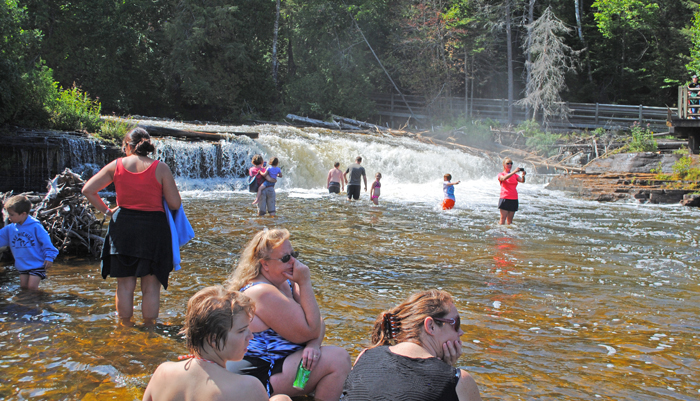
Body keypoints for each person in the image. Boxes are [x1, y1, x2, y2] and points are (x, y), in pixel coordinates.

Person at [226, 228, 351, 401]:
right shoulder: (262, 292)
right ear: (265, 264)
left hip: (280, 365)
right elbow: (311, 329)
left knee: (326, 357)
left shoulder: (286, 283)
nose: (294, 262)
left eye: (294, 254)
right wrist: (305, 282)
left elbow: (317, 321)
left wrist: (314, 344)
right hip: (259, 377)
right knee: (338, 359)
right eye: (286, 258)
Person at [82, 127, 182, 326]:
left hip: (123, 226)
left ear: (127, 146)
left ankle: (125, 327)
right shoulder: (160, 167)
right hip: (153, 229)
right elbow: (175, 204)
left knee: (125, 286)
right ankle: (150, 328)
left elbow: (88, 189)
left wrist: (107, 211)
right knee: (151, 287)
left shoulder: (116, 165)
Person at [142, 286, 291, 401]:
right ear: (213, 339)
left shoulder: (162, 373)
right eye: (241, 331)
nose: (250, 336)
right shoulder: (248, 387)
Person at [341, 289, 482, 401]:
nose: (461, 332)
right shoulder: (458, 381)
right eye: (456, 324)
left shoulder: (365, 357)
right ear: (430, 326)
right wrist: (449, 375)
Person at [0, 195, 58, 290]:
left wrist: (49, 257)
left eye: (11, 214)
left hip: (37, 264)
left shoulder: (35, 227)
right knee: (24, 287)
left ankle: (36, 303)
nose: (8, 217)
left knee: (31, 288)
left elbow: (46, 242)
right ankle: (29, 303)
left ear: (23, 214)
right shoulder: (10, 229)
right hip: (23, 265)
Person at [497, 157, 525, 225]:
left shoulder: (515, 175)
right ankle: (500, 233)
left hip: (514, 198)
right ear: (504, 165)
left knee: (510, 221)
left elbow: (522, 181)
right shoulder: (501, 174)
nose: (510, 165)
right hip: (505, 198)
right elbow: (503, 178)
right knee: (502, 219)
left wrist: (523, 175)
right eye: (508, 163)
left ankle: (508, 234)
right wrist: (514, 171)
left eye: (511, 163)